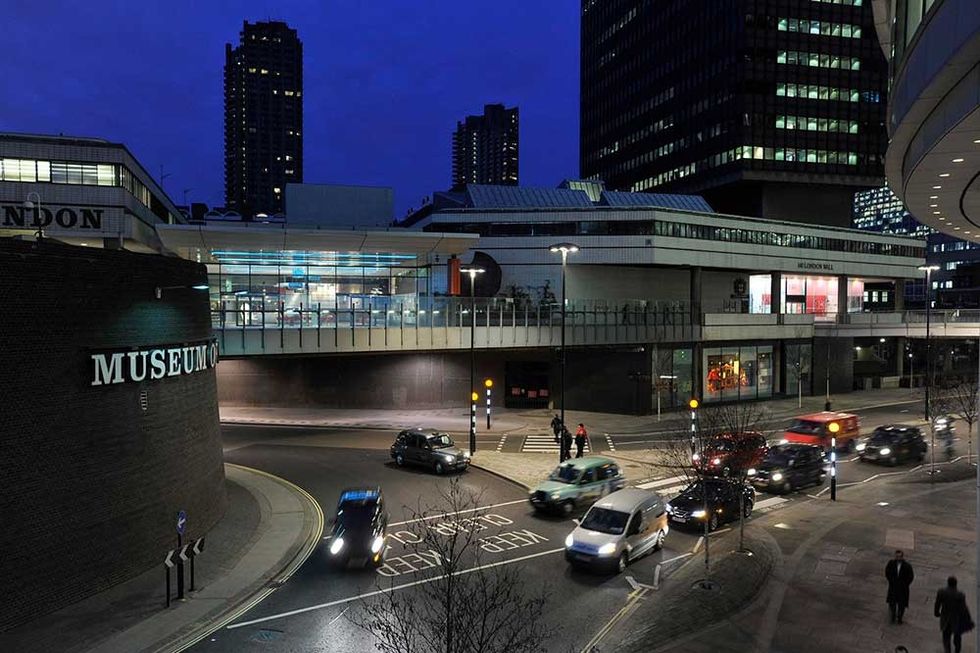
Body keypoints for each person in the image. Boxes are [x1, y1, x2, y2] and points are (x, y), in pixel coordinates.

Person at [935, 576, 973, 653]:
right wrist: (968, 619)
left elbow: (937, 604)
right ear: (956, 584)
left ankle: (947, 651)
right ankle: (957, 650)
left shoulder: (941, 592)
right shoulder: (960, 595)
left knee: (946, 637)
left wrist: (936, 612)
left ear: (948, 583)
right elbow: (964, 608)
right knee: (957, 637)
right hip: (957, 619)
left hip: (945, 618)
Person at [885, 549, 914, 624]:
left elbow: (911, 576)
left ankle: (900, 617)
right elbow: (887, 572)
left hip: (902, 588)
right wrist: (891, 581)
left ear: (902, 557)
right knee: (892, 603)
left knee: (902, 604)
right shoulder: (891, 563)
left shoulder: (907, 566)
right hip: (893, 587)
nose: (898, 558)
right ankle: (893, 616)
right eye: (897, 556)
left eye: (899, 557)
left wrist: (905, 584)